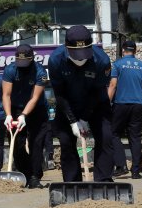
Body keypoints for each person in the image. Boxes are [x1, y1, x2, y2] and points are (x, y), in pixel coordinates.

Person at [48, 25, 115, 182]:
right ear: (67, 47)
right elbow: (59, 94)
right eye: (75, 53)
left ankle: (103, 179)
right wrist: (72, 121)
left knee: (106, 137)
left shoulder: (102, 60)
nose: (80, 58)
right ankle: (72, 182)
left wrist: (84, 118)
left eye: (84, 52)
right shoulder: (56, 60)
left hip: (97, 104)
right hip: (68, 104)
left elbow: (98, 92)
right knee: (66, 141)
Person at [2, 44, 49, 189]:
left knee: (36, 143)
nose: (21, 64)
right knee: (16, 144)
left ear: (32, 58)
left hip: (37, 110)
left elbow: (34, 98)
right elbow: (6, 94)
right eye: (19, 61)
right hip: (15, 108)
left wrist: (24, 115)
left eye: (25, 61)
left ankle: (35, 176)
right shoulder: (10, 69)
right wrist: (9, 115)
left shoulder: (40, 71)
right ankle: (26, 173)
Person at [108, 40, 142, 179]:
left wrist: (107, 103)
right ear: (135, 51)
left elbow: (113, 85)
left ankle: (121, 165)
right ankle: (136, 171)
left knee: (113, 134)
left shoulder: (117, 65)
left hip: (121, 103)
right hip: (138, 104)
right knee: (135, 137)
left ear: (123, 50)